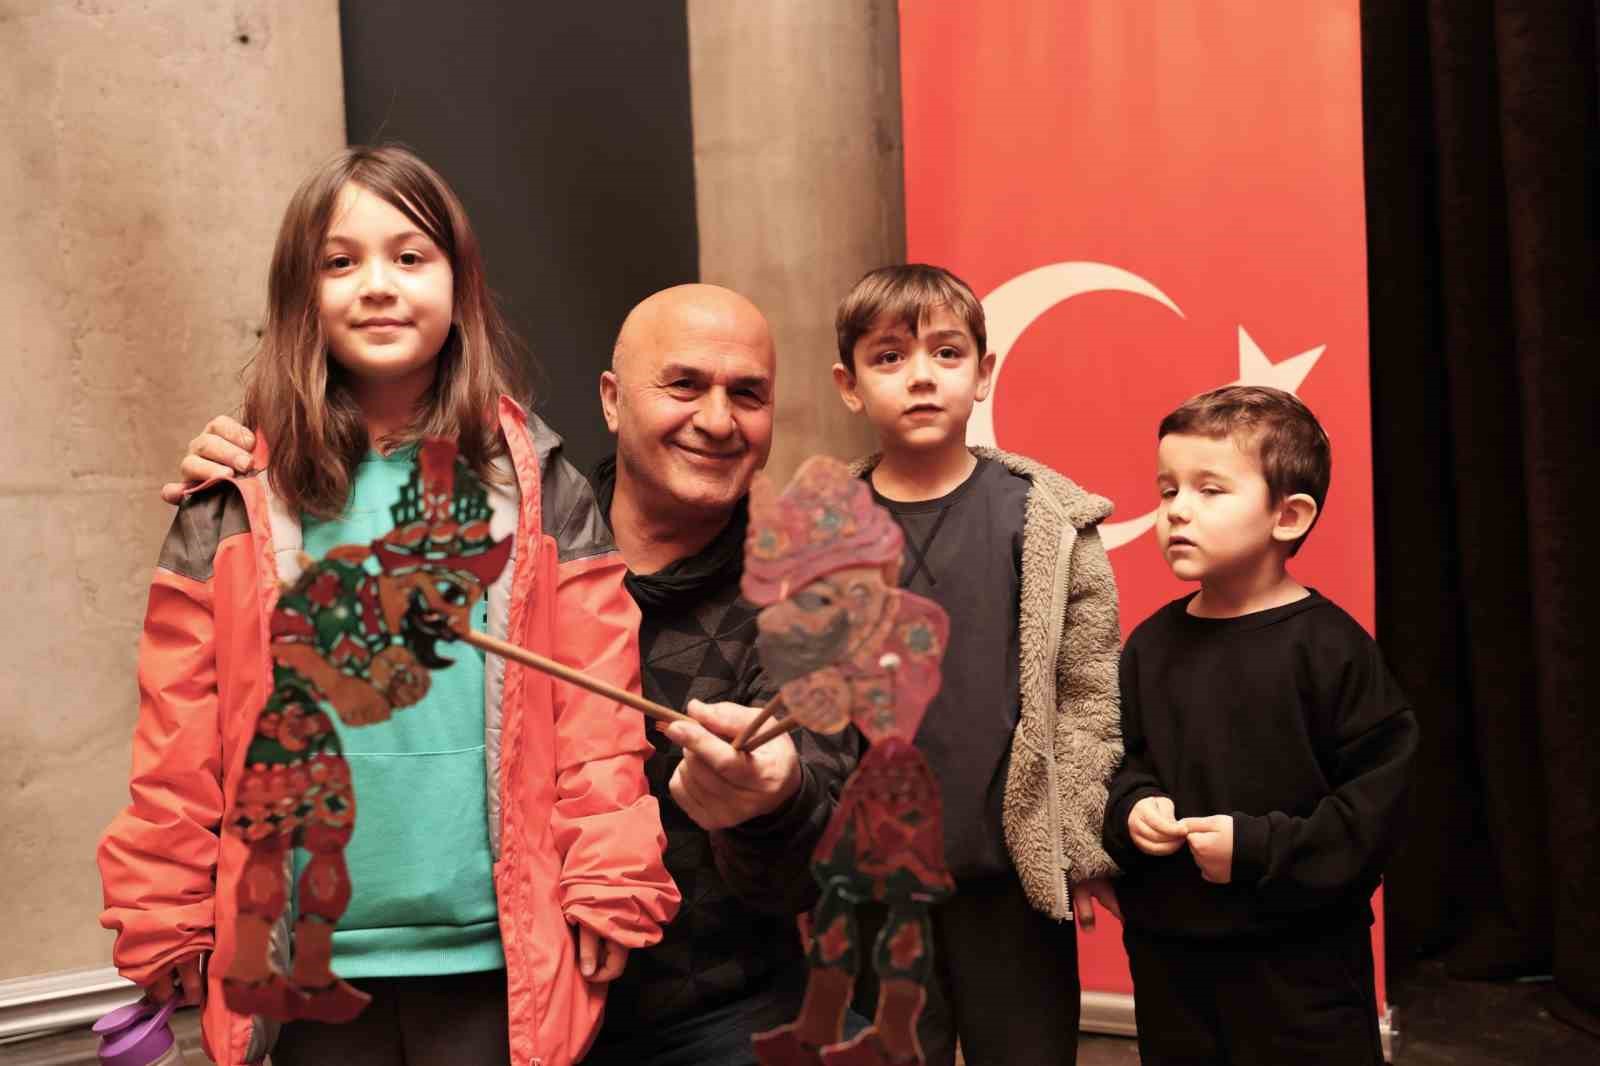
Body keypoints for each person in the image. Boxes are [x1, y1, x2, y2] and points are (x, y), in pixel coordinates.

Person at [163, 283, 860, 1066]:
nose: (719, 420)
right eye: (685, 385)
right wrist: (249, 481)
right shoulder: (519, 534)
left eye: (749, 395)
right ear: (611, 400)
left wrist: (771, 803)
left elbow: (822, 870)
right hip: (502, 1007)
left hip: (719, 1018)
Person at [99, 145, 679, 1066]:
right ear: (301, 294)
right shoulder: (232, 498)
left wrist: (611, 876)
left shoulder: (543, 486)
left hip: (496, 964)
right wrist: (164, 909)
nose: (378, 285)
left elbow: (597, 720)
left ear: (460, 283)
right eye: (341, 262)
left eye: (410, 256)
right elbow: (177, 741)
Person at [810, 263, 1125, 1066]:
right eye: (889, 357)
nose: (921, 376)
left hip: (1010, 880)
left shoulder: (1044, 518)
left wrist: (1076, 836)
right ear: (849, 385)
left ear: (983, 374)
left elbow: (1088, 693)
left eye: (946, 354)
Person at [1102, 385, 1418, 1066]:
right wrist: (1132, 807)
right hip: (1172, 964)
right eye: (1167, 490)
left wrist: (1256, 849)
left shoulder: (1332, 650)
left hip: (1302, 973)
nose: (1177, 509)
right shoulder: (1149, 646)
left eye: (1210, 489)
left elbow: (1376, 812)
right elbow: (1116, 763)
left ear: (1288, 515)